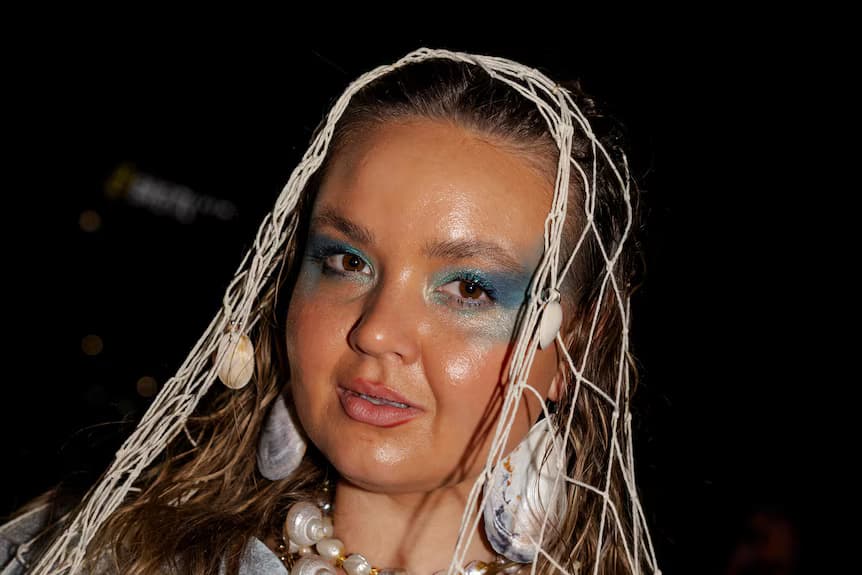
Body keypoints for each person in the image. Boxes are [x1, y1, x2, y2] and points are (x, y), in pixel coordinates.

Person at [2, 48, 659, 575]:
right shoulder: (104, 554)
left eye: (468, 288)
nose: (375, 330)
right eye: (347, 260)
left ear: (573, 344)